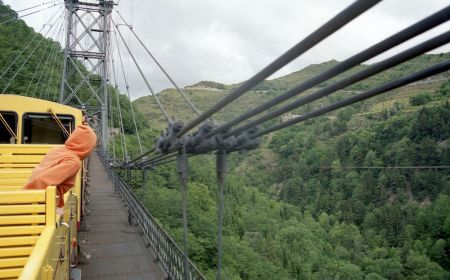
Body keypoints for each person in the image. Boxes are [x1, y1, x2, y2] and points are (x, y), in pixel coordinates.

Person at [23, 124, 97, 211]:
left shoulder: (59, 149)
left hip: (35, 200)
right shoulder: (73, 162)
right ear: (86, 146)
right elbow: (43, 181)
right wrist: (54, 208)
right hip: (39, 204)